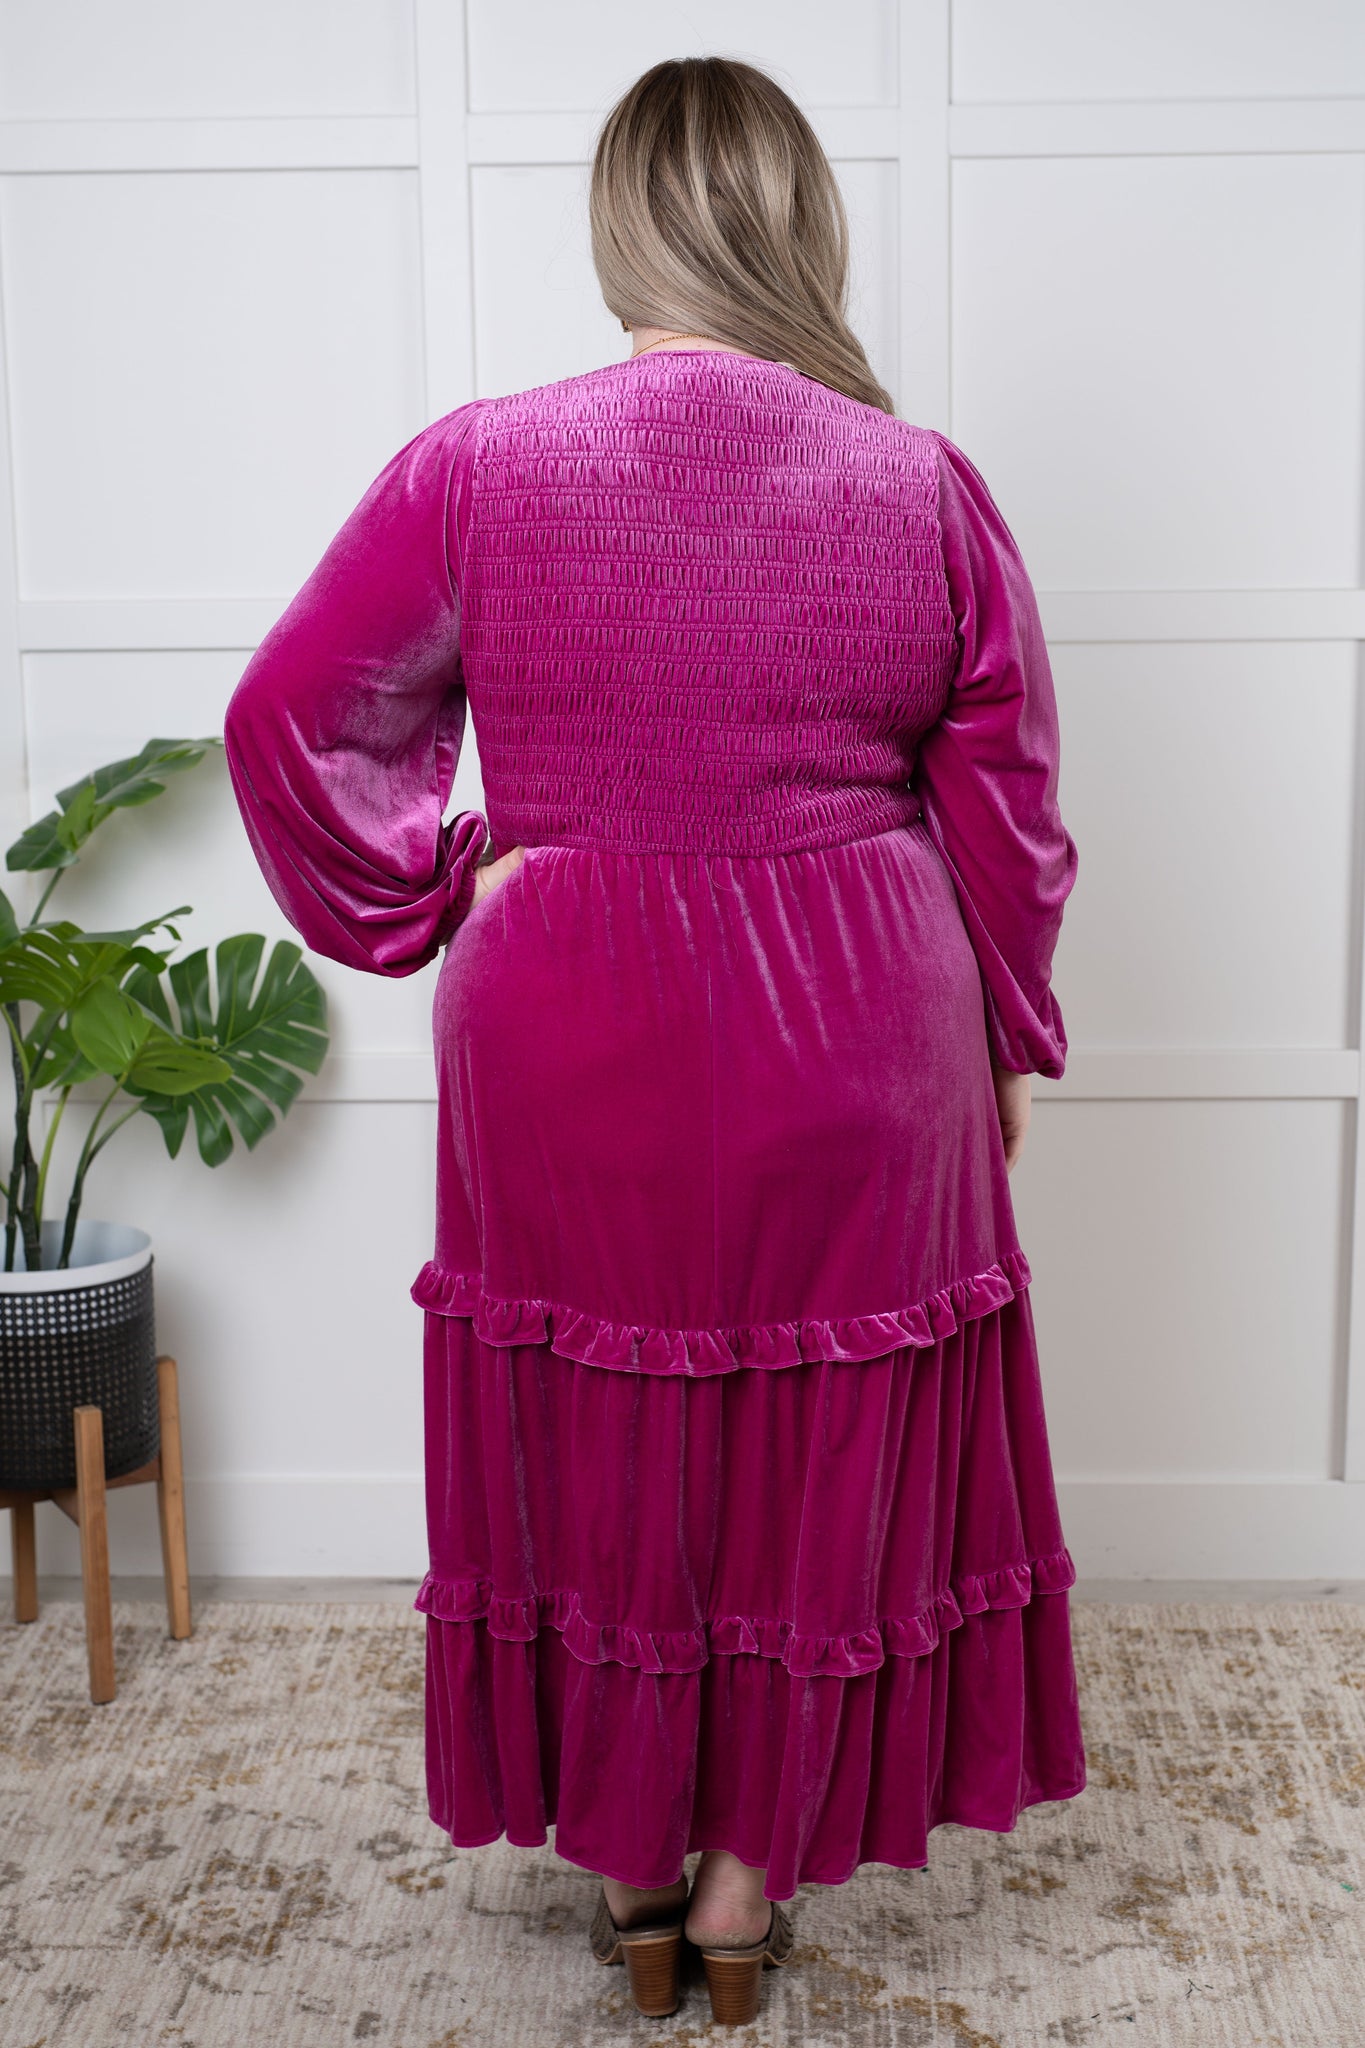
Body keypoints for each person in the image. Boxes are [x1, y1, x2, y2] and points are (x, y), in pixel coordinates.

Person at [222, 52, 1085, 2031]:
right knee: (814, 1456)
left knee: (591, 1437)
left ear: (618, 226)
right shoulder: (919, 484)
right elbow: (1007, 810)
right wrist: (1008, 1031)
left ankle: (626, 1871)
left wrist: (436, 885)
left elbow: (289, 716)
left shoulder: (476, 466)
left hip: (567, 1020)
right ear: (800, 228)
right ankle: (738, 1898)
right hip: (860, 1022)